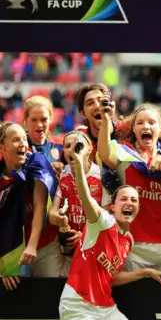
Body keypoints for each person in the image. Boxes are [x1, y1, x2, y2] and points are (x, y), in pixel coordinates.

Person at [58, 141, 161, 320]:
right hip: (77, 304)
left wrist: (144, 273)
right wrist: (78, 166)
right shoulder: (103, 223)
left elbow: (111, 276)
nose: (129, 203)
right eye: (123, 199)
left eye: (133, 200)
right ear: (113, 207)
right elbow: (86, 198)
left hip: (105, 307)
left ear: (138, 208)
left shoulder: (128, 240)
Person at [98, 101, 161, 277]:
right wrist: (105, 121)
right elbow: (105, 154)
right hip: (133, 246)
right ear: (133, 130)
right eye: (140, 123)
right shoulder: (125, 156)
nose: (145, 126)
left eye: (151, 122)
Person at [0, 122, 57, 289]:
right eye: (16, 140)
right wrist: (3, 266)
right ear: (2, 148)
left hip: (43, 246)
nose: (23, 144)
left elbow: (39, 207)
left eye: (24, 139)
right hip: (10, 251)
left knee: (50, 297)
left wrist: (31, 246)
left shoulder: (37, 163)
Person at [48, 131, 103, 276]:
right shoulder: (64, 174)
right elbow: (52, 213)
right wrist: (58, 220)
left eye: (77, 145)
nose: (72, 150)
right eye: (67, 146)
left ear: (89, 149)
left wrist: (84, 235)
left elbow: (108, 221)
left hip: (94, 251)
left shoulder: (101, 176)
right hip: (70, 251)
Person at [22, 95, 64, 176]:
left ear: (51, 119)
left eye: (44, 119)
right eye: (34, 120)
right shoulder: (18, 147)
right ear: (26, 120)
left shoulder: (61, 145)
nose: (39, 125)